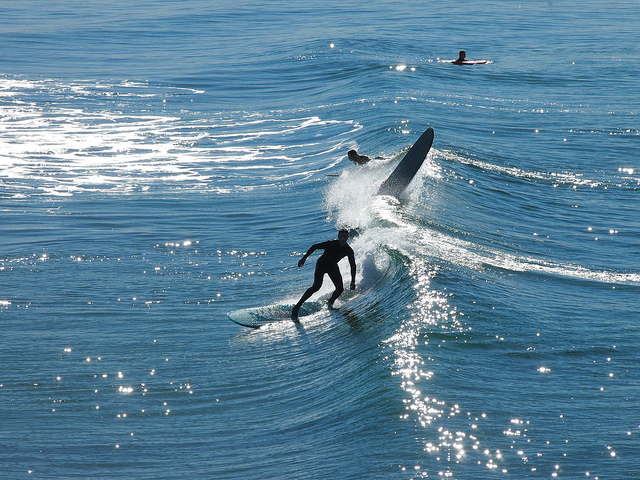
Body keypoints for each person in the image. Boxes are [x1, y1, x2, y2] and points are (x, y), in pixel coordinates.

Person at [292, 229, 356, 318]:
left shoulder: (348, 250)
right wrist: (304, 258)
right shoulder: (331, 243)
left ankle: (330, 303)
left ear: (347, 237)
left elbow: (353, 265)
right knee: (316, 287)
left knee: (340, 289)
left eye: (344, 237)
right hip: (322, 265)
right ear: (338, 237)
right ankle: (297, 307)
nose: (342, 239)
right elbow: (315, 246)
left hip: (332, 267)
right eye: (340, 237)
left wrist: (353, 281)